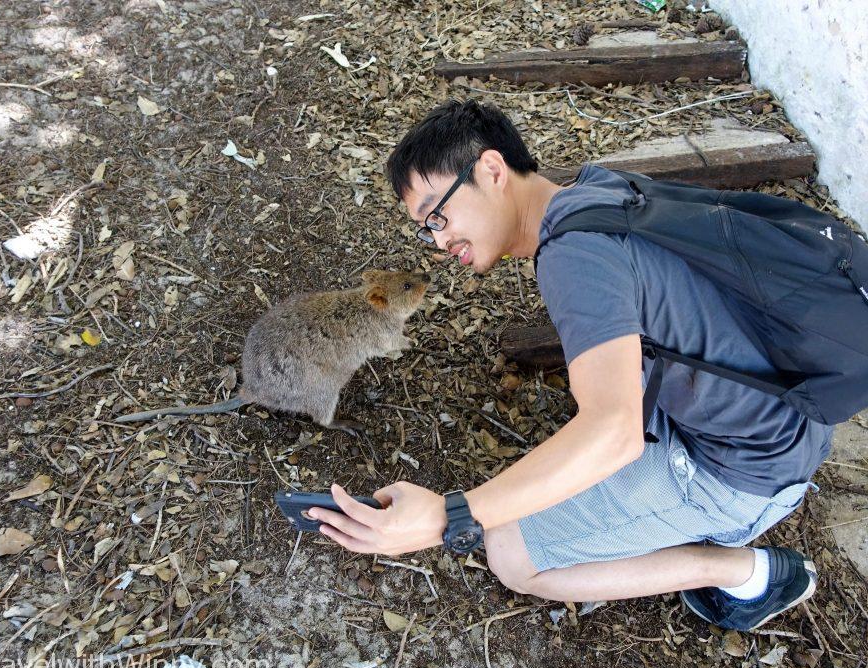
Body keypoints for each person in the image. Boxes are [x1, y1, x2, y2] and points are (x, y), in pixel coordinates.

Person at [304, 99, 832, 631]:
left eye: (437, 216)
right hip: (782, 412)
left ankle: (749, 575)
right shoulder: (595, 191)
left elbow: (615, 432)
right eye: (427, 230)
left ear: (491, 170)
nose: (439, 242)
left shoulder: (573, 258)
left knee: (510, 551)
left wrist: (449, 515)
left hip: (742, 470)